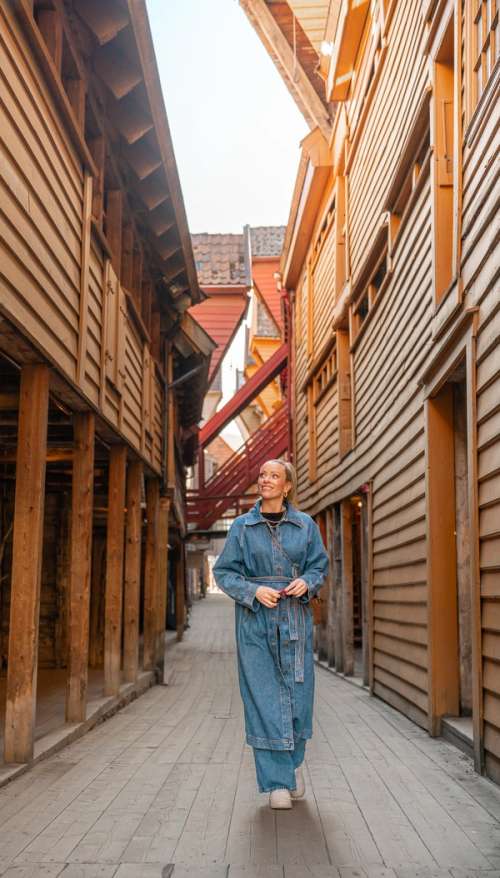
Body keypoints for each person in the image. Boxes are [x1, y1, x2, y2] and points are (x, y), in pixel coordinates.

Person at [212, 458, 329, 810]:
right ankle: (277, 782)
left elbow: (319, 566)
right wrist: (252, 592)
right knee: (263, 699)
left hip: (295, 621)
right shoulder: (242, 528)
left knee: (298, 698)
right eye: (262, 475)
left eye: (273, 476)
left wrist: (306, 582)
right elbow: (225, 572)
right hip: (255, 624)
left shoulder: (305, 525)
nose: (265, 480)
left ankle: (292, 764)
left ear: (287, 486)